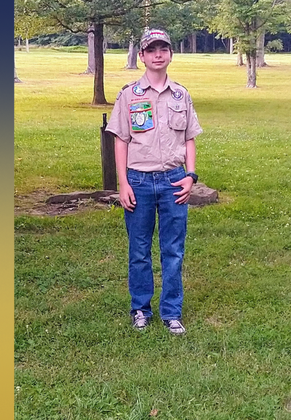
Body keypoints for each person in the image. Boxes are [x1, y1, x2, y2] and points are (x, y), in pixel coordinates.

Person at [105, 29, 203, 335]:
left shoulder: (181, 95)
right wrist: (123, 183)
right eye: (152, 49)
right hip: (139, 180)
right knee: (139, 250)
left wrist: (190, 176)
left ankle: (172, 312)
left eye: (164, 49)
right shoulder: (129, 95)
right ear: (143, 56)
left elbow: (189, 139)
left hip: (174, 181)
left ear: (170, 55)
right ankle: (140, 309)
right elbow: (120, 140)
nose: (158, 54)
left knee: (173, 250)